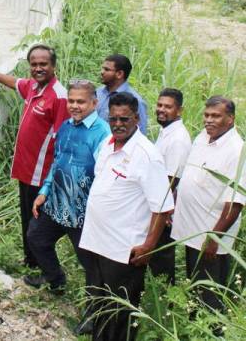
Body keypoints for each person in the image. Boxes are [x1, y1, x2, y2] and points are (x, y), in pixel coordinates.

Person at [80, 92, 174, 341]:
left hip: (124, 250)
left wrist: (148, 246)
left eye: (125, 119)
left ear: (137, 119)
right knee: (102, 304)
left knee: (120, 312)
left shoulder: (146, 155)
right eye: (113, 118)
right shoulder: (108, 145)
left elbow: (163, 207)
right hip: (99, 244)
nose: (118, 124)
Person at [26, 80, 110, 335]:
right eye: (71, 101)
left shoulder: (102, 134)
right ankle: (54, 278)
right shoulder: (65, 126)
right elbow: (57, 162)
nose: (74, 106)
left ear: (94, 103)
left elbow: (105, 176)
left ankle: (94, 314)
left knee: (91, 266)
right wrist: (43, 192)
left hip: (84, 212)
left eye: (81, 101)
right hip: (57, 203)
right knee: (36, 238)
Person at [0, 45, 69, 269]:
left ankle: (43, 269)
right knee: (27, 218)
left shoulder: (59, 97)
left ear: (53, 66)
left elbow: (62, 141)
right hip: (25, 171)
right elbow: (15, 82)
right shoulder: (33, 87)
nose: (38, 68)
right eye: (34, 64)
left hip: (42, 174)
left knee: (37, 224)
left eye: (43, 64)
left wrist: (53, 179)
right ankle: (31, 262)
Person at [171, 96, 245, 313]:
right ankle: (194, 325)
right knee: (195, 285)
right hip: (192, 230)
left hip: (210, 233)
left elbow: (236, 202)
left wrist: (214, 239)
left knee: (210, 294)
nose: (209, 120)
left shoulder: (237, 150)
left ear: (230, 119)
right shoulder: (203, 137)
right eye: (207, 115)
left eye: (216, 116)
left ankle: (213, 332)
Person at [151, 88, 192, 284]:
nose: (161, 109)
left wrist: (160, 212)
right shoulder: (166, 131)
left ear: (179, 110)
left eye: (168, 107)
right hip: (157, 206)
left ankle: (164, 302)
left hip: (163, 212)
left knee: (162, 261)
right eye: (159, 105)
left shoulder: (178, 139)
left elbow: (171, 181)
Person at [96, 54, 148, 134]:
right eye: (102, 68)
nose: (102, 72)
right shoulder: (98, 93)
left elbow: (140, 132)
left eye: (107, 69)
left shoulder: (136, 101)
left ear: (119, 74)